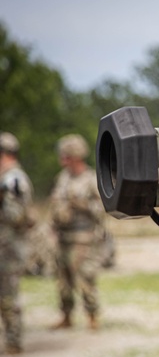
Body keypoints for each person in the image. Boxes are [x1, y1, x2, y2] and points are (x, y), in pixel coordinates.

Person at [49, 133, 105, 330]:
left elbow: (102, 209)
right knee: (63, 280)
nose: (62, 160)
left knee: (85, 278)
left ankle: (92, 316)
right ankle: (66, 316)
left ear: (76, 156)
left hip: (84, 238)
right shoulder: (62, 178)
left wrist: (82, 204)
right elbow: (55, 204)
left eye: (66, 156)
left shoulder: (91, 179)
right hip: (63, 236)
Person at [0, 132, 34, 355]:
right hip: (5, 246)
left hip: (9, 248)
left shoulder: (13, 179)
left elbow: (18, 215)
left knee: (8, 295)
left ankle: (13, 341)